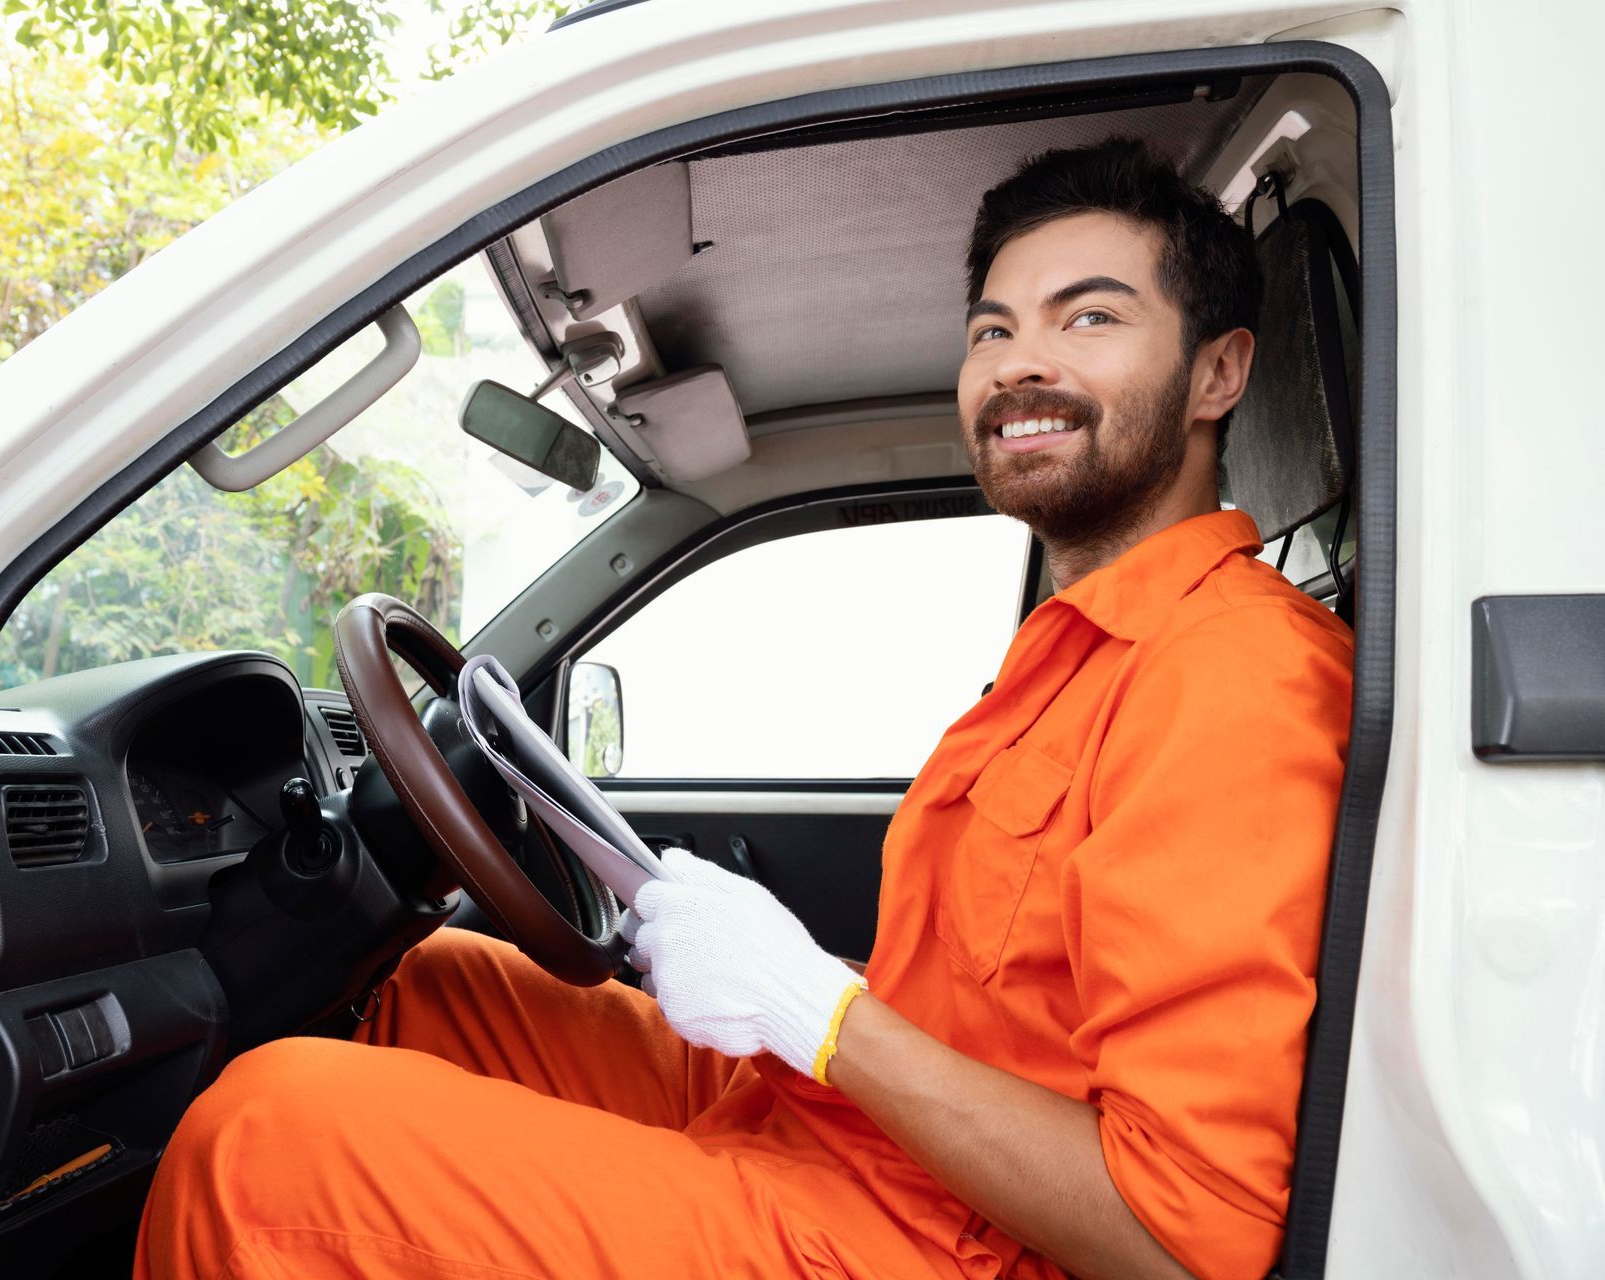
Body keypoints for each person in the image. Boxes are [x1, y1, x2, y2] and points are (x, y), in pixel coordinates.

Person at [135, 137, 1354, 1280]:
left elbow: (1184, 1233)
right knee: (438, 982)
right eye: (995, 327)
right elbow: (1000, 1002)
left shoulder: (1231, 674)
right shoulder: (1076, 651)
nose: (1020, 362)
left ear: (1218, 371)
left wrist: (813, 1009)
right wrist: (778, 965)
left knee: (259, 1140)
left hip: (930, 1240)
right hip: (849, 1137)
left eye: (1089, 317)